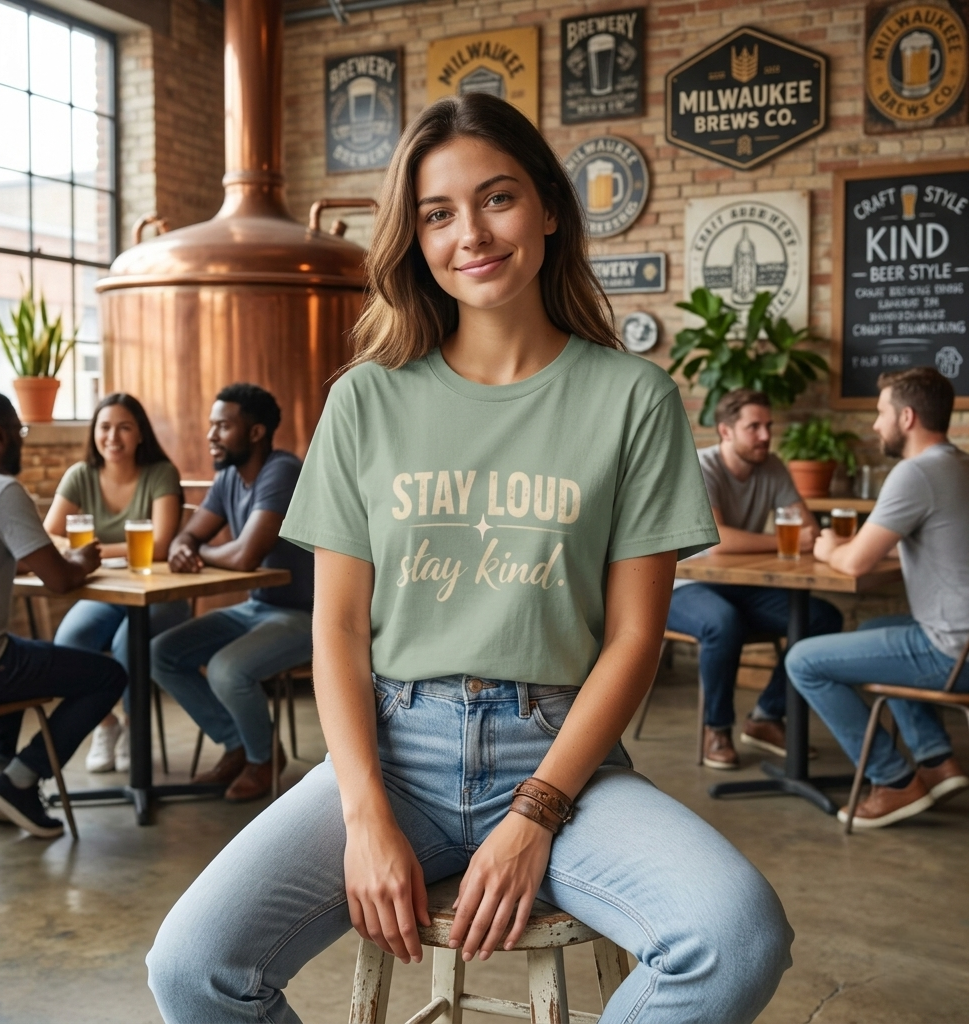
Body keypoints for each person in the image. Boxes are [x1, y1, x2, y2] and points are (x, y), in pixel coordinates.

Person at [147, 94, 791, 1023]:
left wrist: (536, 811)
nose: (471, 234)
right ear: (414, 238)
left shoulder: (633, 398)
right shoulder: (366, 401)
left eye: (497, 198)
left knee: (737, 936)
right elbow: (335, 628)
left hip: (563, 753)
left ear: (550, 208)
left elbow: (636, 637)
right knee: (193, 968)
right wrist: (364, 813)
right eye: (438, 213)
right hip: (392, 749)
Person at [786, 368, 969, 830]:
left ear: (906, 417)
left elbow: (854, 563)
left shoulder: (917, 472)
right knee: (873, 631)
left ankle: (893, 781)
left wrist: (826, 545)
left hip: (953, 650)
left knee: (803, 660)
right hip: (961, 640)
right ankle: (936, 761)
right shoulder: (958, 463)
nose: (874, 424)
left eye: (880, 412)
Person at [0, 389, 126, 838]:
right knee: (108, 676)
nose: (22, 441)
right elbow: (60, 581)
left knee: (16, 656)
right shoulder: (1, 490)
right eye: (20, 432)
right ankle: (20, 782)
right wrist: (83, 561)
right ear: (0, 435)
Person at [150, 383, 313, 802]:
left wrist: (194, 549)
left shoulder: (282, 470)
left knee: (227, 670)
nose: (211, 435)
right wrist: (186, 545)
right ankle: (238, 743)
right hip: (257, 606)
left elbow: (244, 556)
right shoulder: (227, 479)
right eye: (211, 425)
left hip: (307, 615)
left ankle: (263, 759)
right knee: (160, 652)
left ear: (256, 432)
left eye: (223, 426)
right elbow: (186, 536)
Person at [665, 389, 843, 769]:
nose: (766, 435)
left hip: (738, 583)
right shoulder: (702, 465)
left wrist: (786, 539)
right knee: (722, 623)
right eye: (754, 427)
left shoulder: (773, 466)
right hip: (683, 585)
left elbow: (809, 531)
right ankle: (718, 728)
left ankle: (765, 716)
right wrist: (782, 541)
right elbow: (719, 539)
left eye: (768, 426)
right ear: (725, 431)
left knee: (823, 617)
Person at [44, 393, 189, 773]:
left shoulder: (161, 473)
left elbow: (158, 545)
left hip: (161, 593)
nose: (113, 436)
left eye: (124, 427)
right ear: (94, 433)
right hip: (108, 593)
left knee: (130, 643)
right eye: (104, 427)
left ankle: (131, 726)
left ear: (140, 433)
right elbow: (50, 535)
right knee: (68, 643)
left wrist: (89, 554)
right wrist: (107, 552)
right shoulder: (80, 475)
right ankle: (106, 724)